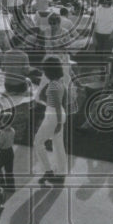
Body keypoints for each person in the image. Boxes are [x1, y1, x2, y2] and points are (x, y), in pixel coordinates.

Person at [33, 56, 69, 187]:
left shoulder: (53, 85)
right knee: (58, 145)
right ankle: (61, 173)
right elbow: (57, 101)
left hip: (53, 116)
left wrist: (59, 123)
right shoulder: (60, 82)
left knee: (38, 142)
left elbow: (57, 105)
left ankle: (48, 170)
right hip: (58, 115)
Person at [0, 122, 16, 191]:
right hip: (10, 151)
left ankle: (2, 183)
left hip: (3, 153)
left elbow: (0, 144)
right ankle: (11, 187)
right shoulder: (13, 130)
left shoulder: (3, 133)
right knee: (9, 171)